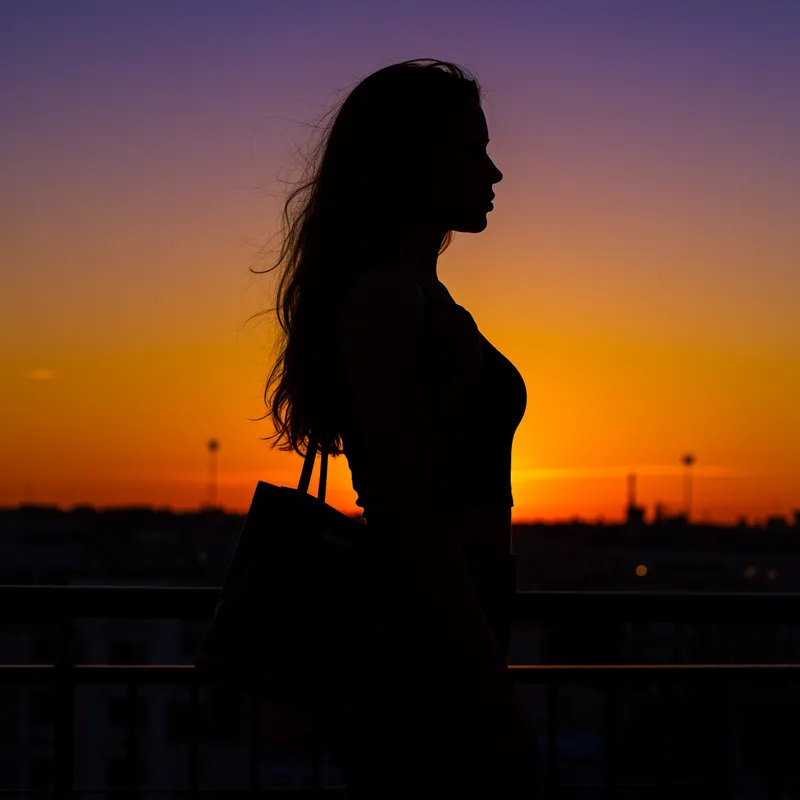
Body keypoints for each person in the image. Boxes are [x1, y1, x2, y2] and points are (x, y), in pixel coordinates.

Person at [252, 58, 538, 797]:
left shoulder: (412, 295)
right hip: (429, 625)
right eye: (473, 149)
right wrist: (489, 685)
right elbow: (410, 512)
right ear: (415, 163)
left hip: (449, 613)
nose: (496, 172)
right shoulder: (390, 300)